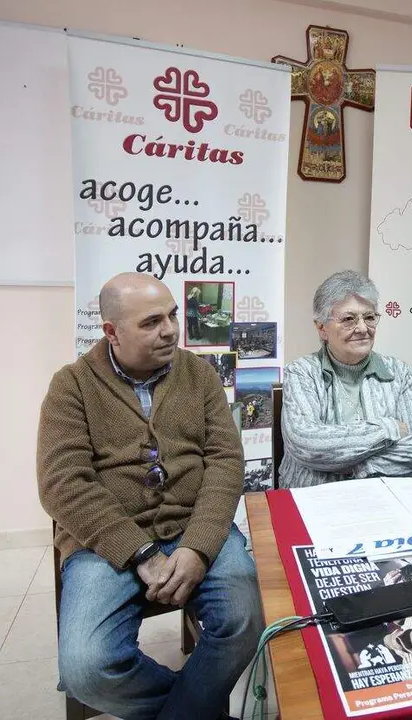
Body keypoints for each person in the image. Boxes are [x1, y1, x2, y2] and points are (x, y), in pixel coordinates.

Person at [37, 272, 260, 720]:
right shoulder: (72, 385)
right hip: (107, 543)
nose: (171, 330)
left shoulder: (198, 373)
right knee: (86, 669)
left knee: (246, 620)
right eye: (152, 322)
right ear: (112, 332)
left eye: (172, 316)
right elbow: (62, 483)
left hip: (194, 526)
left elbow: (225, 461)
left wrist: (199, 546)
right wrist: (139, 551)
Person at [280, 270, 412, 488]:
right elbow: (306, 445)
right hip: (316, 497)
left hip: (385, 493)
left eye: (370, 317)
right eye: (348, 319)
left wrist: (356, 468)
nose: (363, 328)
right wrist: (388, 429)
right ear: (321, 328)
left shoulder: (398, 371)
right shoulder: (301, 372)